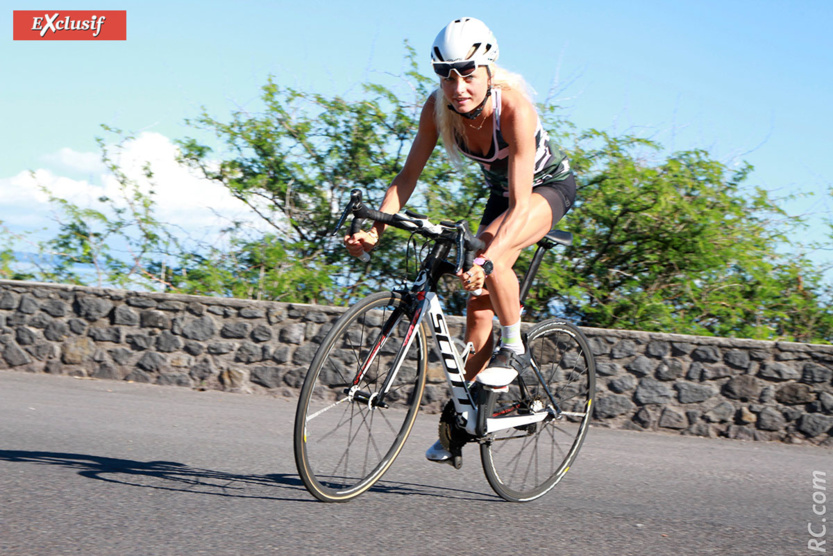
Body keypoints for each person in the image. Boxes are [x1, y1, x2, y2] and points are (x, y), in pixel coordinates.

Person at [344, 17, 576, 464]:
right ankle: (467, 417)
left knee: (492, 255)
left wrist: (488, 261)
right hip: (501, 195)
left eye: (468, 72)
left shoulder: (514, 110)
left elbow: (522, 201)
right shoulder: (437, 109)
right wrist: (376, 228)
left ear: (488, 69)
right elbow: (407, 177)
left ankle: (515, 348)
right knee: (474, 312)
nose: (457, 85)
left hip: (545, 190)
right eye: (446, 73)